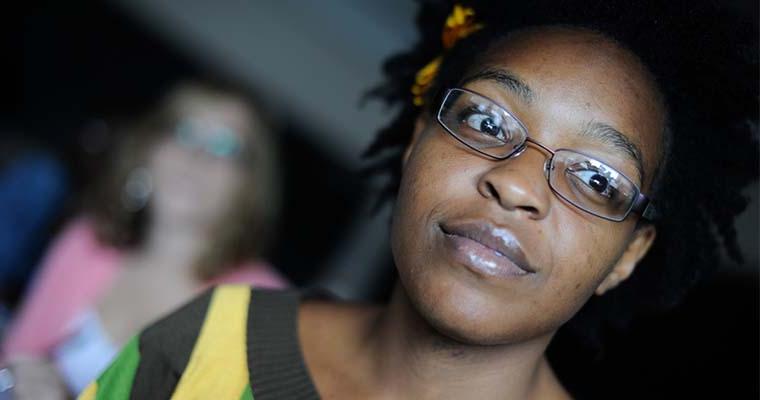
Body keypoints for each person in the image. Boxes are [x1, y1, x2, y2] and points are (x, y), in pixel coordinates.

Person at [80, 1, 758, 399]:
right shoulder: (209, 336)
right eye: (488, 123)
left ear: (628, 256)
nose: (517, 184)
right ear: (414, 144)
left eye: (598, 179)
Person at [1, 79, 287, 398]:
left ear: (248, 187)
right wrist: (13, 380)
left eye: (225, 147)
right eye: (184, 133)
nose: (197, 157)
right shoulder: (86, 243)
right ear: (148, 150)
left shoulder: (262, 310)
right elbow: (12, 359)